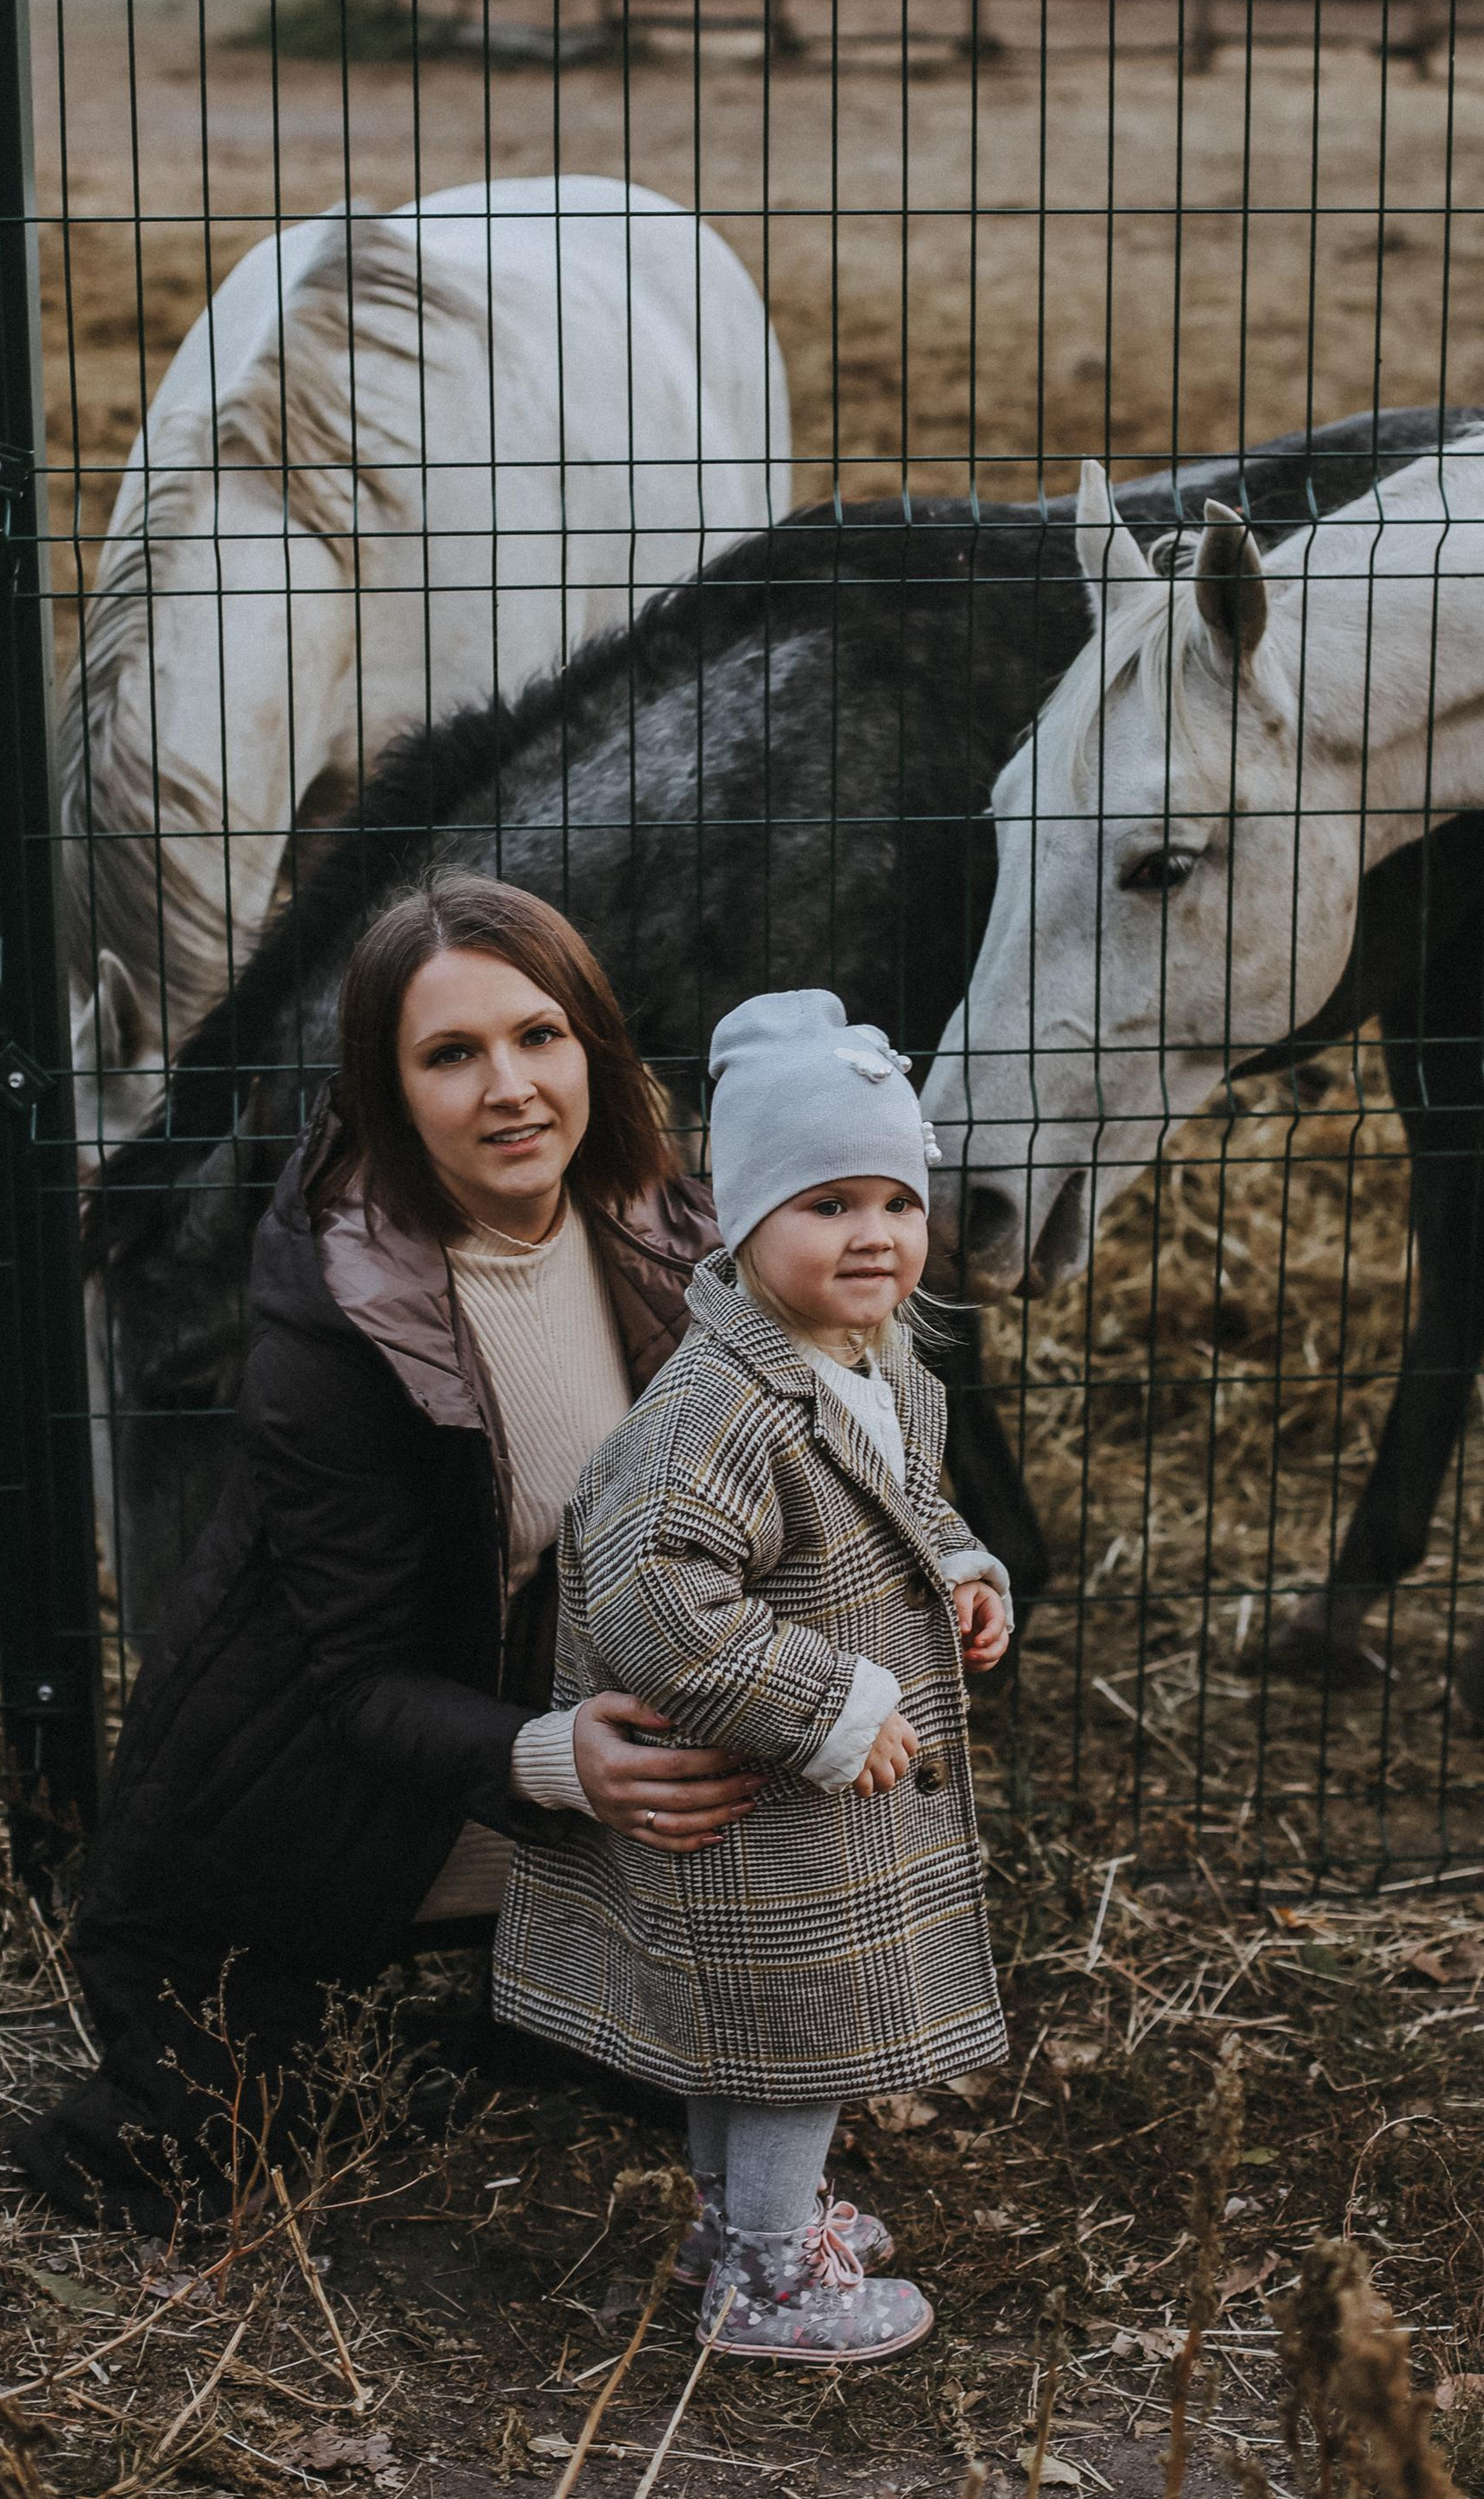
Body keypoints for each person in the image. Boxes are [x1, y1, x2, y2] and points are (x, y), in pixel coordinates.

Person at [15, 872, 755, 2232]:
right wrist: (565, 1761)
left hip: (569, 1774)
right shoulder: (341, 1318)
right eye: (451, 1054)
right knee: (195, 2155)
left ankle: (563, 1985)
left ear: (594, 1044)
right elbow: (356, 1679)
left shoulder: (663, 1225)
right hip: (330, 1800)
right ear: (386, 1088)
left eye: (539, 1035)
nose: (511, 1087)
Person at [489, 988, 1011, 2363]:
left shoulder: (870, 1361)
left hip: (807, 1799)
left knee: (758, 2027)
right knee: (796, 2030)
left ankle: (738, 2224)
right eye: (828, 1203)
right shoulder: (716, 1409)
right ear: (743, 1220)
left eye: (896, 1201)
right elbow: (661, 1597)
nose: (875, 1234)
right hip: (758, 1796)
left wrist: (963, 1569)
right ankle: (771, 2275)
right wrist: (832, 1703)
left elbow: (903, 1502)